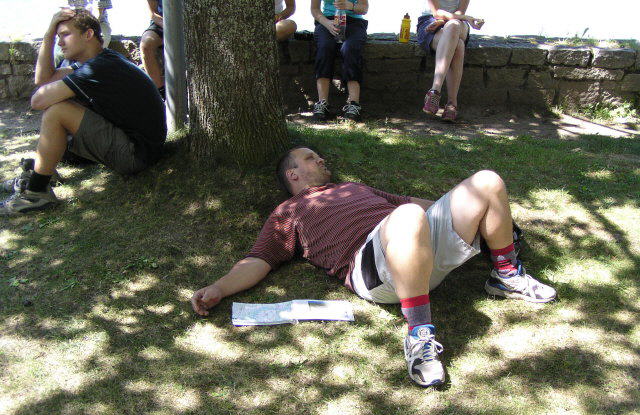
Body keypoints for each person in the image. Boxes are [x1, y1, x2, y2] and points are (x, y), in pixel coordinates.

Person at [191, 147, 556, 387]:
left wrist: (483, 216)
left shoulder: (353, 187)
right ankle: (419, 334)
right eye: (310, 158)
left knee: (486, 182)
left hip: (418, 242)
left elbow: (420, 204)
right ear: (293, 175)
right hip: (374, 269)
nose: (321, 160)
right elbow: (259, 259)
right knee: (408, 216)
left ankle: (506, 274)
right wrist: (219, 288)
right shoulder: (288, 212)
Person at [0, 9, 166, 216]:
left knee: (56, 110)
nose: (60, 42)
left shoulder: (99, 68)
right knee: (61, 100)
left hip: (136, 155)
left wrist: (50, 36)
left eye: (65, 35)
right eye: (57, 37)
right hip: (140, 147)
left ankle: (37, 192)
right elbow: (43, 80)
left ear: (88, 34)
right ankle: (41, 172)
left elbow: (38, 101)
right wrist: (48, 35)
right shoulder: (100, 61)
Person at [417, 0, 484, 122]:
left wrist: (446, 21)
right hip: (431, 21)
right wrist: (465, 18)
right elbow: (436, 12)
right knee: (458, 45)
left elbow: (460, 12)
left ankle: (434, 92)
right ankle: (452, 104)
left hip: (458, 23)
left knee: (453, 26)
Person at [310, 0, 369, 121]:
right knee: (325, 47)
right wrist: (327, 23)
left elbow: (364, 8)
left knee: (350, 49)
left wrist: (351, 6)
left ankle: (354, 104)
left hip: (354, 22)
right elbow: (314, 9)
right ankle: (322, 103)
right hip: (327, 21)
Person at [140, 0, 165, 97]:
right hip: (162, 22)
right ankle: (160, 93)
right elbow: (153, 13)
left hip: (191, 23)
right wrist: (168, 27)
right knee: (146, 45)